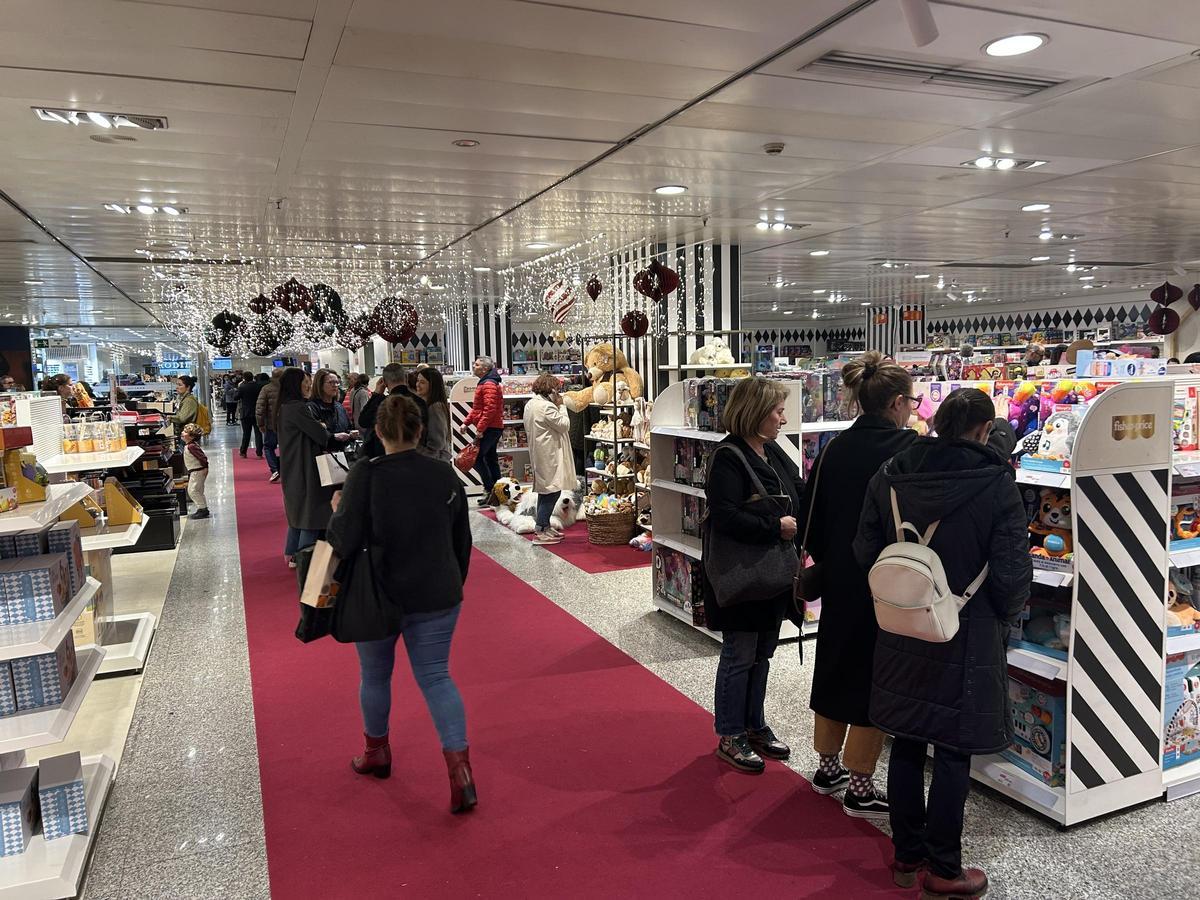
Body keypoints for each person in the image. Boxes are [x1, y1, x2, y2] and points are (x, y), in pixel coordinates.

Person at [854, 388, 1030, 898]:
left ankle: (906, 857)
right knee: (953, 748)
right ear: (981, 430)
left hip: (900, 624)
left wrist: (904, 589)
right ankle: (945, 868)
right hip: (967, 627)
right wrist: (1004, 615)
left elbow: (865, 548)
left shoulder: (890, 473)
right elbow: (1013, 571)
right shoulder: (996, 482)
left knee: (906, 738)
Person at [326, 393, 476, 814]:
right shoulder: (443, 475)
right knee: (437, 677)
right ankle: (460, 770)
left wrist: (337, 509)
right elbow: (460, 541)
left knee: (374, 675)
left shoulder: (364, 476)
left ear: (378, 431)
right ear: (420, 429)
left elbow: (342, 540)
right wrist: (453, 584)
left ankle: (377, 751)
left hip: (377, 594)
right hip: (436, 592)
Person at [800, 351, 919, 818]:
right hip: (889, 576)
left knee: (834, 663)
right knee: (877, 675)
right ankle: (861, 783)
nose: (912, 408)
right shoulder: (907, 450)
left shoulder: (832, 448)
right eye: (910, 399)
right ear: (894, 402)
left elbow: (812, 513)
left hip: (839, 575)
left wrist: (828, 561)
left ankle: (827, 766)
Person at [703, 377, 801, 774]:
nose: (782, 417)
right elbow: (725, 517)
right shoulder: (728, 456)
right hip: (743, 574)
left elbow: (800, 490)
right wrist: (775, 527)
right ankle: (730, 732)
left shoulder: (773, 450)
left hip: (771, 575)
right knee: (740, 654)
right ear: (756, 412)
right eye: (777, 410)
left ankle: (753, 723)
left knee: (761, 654)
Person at [277, 367, 351, 566]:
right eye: (305, 382)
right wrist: (325, 430)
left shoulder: (285, 407)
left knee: (298, 513)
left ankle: (292, 553)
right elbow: (320, 436)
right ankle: (306, 561)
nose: (308, 385)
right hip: (306, 469)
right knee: (312, 516)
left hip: (295, 466)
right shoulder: (299, 408)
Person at [523, 373, 576, 545]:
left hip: (541, 452)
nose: (558, 393)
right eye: (557, 390)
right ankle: (540, 529)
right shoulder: (547, 407)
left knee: (547, 490)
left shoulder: (531, 404)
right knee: (551, 491)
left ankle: (544, 526)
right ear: (550, 389)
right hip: (549, 453)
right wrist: (562, 406)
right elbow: (564, 425)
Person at [358, 364, 427, 459]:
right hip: (415, 456)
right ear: (406, 378)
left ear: (385, 382)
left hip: (384, 458)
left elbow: (363, 421)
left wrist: (376, 394)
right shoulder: (420, 402)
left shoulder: (383, 404)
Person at [462, 356, 504, 505]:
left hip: (490, 428)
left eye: (477, 364)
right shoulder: (486, 383)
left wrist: (480, 428)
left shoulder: (489, 384)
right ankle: (498, 494)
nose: (474, 366)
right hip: (492, 427)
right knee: (490, 459)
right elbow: (478, 408)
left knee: (477, 458)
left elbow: (490, 409)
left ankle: (490, 489)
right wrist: (466, 423)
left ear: (485, 369)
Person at [413, 367, 452, 462]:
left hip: (434, 462)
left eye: (422, 382)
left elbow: (436, 444)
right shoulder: (427, 405)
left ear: (432, 385)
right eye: (417, 381)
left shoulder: (435, 407)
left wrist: (414, 449)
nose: (418, 385)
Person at [308, 368, 354, 437]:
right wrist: (334, 437)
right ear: (320, 385)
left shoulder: (339, 407)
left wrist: (351, 433)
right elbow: (314, 434)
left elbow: (347, 427)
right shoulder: (312, 407)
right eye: (331, 382)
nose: (335, 385)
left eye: (337, 382)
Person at [256, 368, 283, 483]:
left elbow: (260, 408)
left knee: (268, 447)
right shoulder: (288, 389)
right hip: (287, 426)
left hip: (271, 425)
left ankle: (275, 469)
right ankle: (285, 470)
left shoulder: (266, 389)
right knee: (286, 448)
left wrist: (260, 423)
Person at [180, 423, 210, 519]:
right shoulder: (189, 445)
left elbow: (202, 457)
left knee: (193, 491)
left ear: (191, 436)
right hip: (195, 471)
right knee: (198, 490)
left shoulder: (191, 446)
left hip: (197, 471)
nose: (182, 433)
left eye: (185, 432)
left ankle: (203, 509)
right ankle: (202, 507)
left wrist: (205, 467)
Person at [238, 372, 267, 458]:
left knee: (246, 433)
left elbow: (236, 397)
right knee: (258, 433)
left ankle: (243, 452)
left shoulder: (242, 387)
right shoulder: (258, 386)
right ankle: (259, 453)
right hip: (257, 412)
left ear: (244, 378)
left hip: (245, 413)